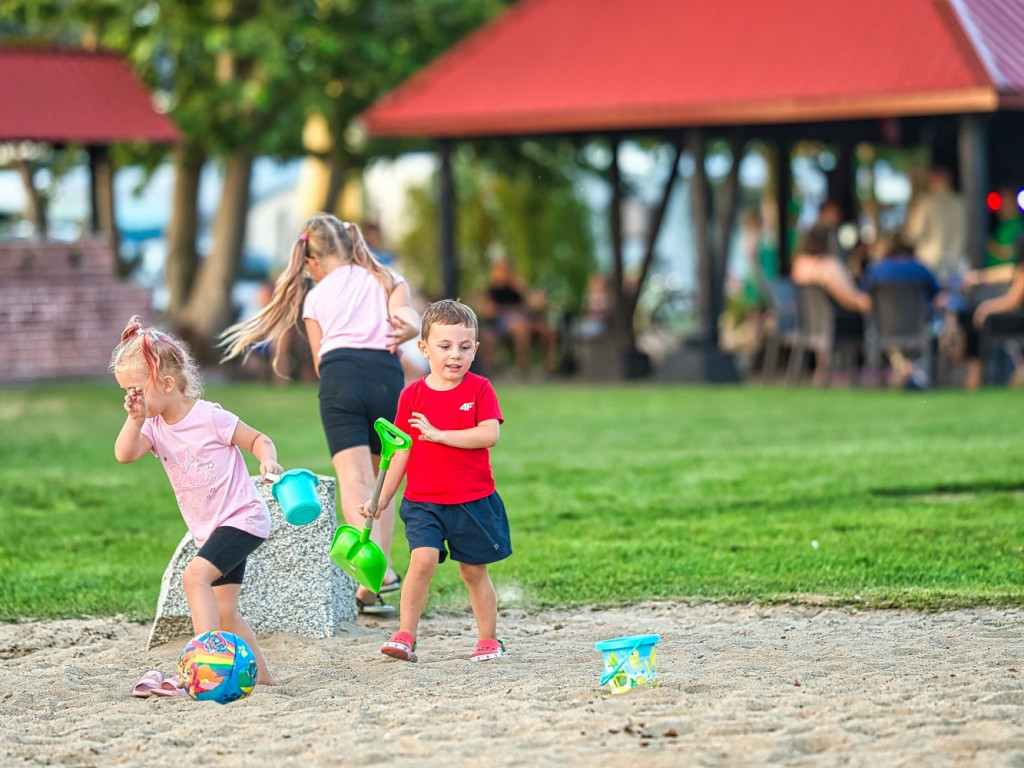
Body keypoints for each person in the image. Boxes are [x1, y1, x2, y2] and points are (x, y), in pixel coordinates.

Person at [219, 213, 419, 614]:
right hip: (385, 376)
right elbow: (409, 317)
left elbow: (318, 358)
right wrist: (409, 328)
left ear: (312, 261)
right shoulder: (386, 278)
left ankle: (373, 579)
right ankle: (386, 569)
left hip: (339, 377)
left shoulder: (315, 297)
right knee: (384, 478)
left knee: (355, 479)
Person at [110, 315, 281, 692]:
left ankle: (204, 664)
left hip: (242, 518)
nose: (131, 398)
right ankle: (266, 680)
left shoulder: (209, 417)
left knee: (194, 577)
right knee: (226, 612)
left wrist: (266, 460)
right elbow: (124, 454)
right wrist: (134, 418)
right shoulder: (152, 427)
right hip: (211, 530)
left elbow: (258, 439)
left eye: (137, 390)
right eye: (126, 392)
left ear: (167, 383)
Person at [360, 299, 512, 663]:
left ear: (475, 349)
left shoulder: (479, 389)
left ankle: (488, 640)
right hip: (424, 501)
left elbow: (489, 434)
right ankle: (405, 634)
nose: (454, 355)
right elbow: (400, 450)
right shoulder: (412, 396)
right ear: (424, 348)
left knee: (473, 572)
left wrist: (441, 435)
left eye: (464, 347)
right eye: (445, 346)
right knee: (422, 560)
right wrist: (382, 498)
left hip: (472, 501)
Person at [862, 232, 943, 388]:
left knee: (879, 333)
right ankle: (914, 372)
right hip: (918, 328)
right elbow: (939, 299)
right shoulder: (921, 269)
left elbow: (865, 300)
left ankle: (903, 369)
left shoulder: (876, 270)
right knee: (938, 324)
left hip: (883, 329)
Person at [479, 256, 558, 376]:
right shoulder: (492, 290)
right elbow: (489, 311)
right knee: (520, 330)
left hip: (524, 318)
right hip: (503, 322)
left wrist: (526, 293)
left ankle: (548, 366)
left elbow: (530, 304)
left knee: (548, 330)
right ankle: (522, 368)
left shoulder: (517, 287)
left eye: (507, 269)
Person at [905, 165, 967, 285]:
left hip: (930, 267)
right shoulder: (962, 203)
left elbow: (913, 234)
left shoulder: (926, 202)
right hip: (957, 266)